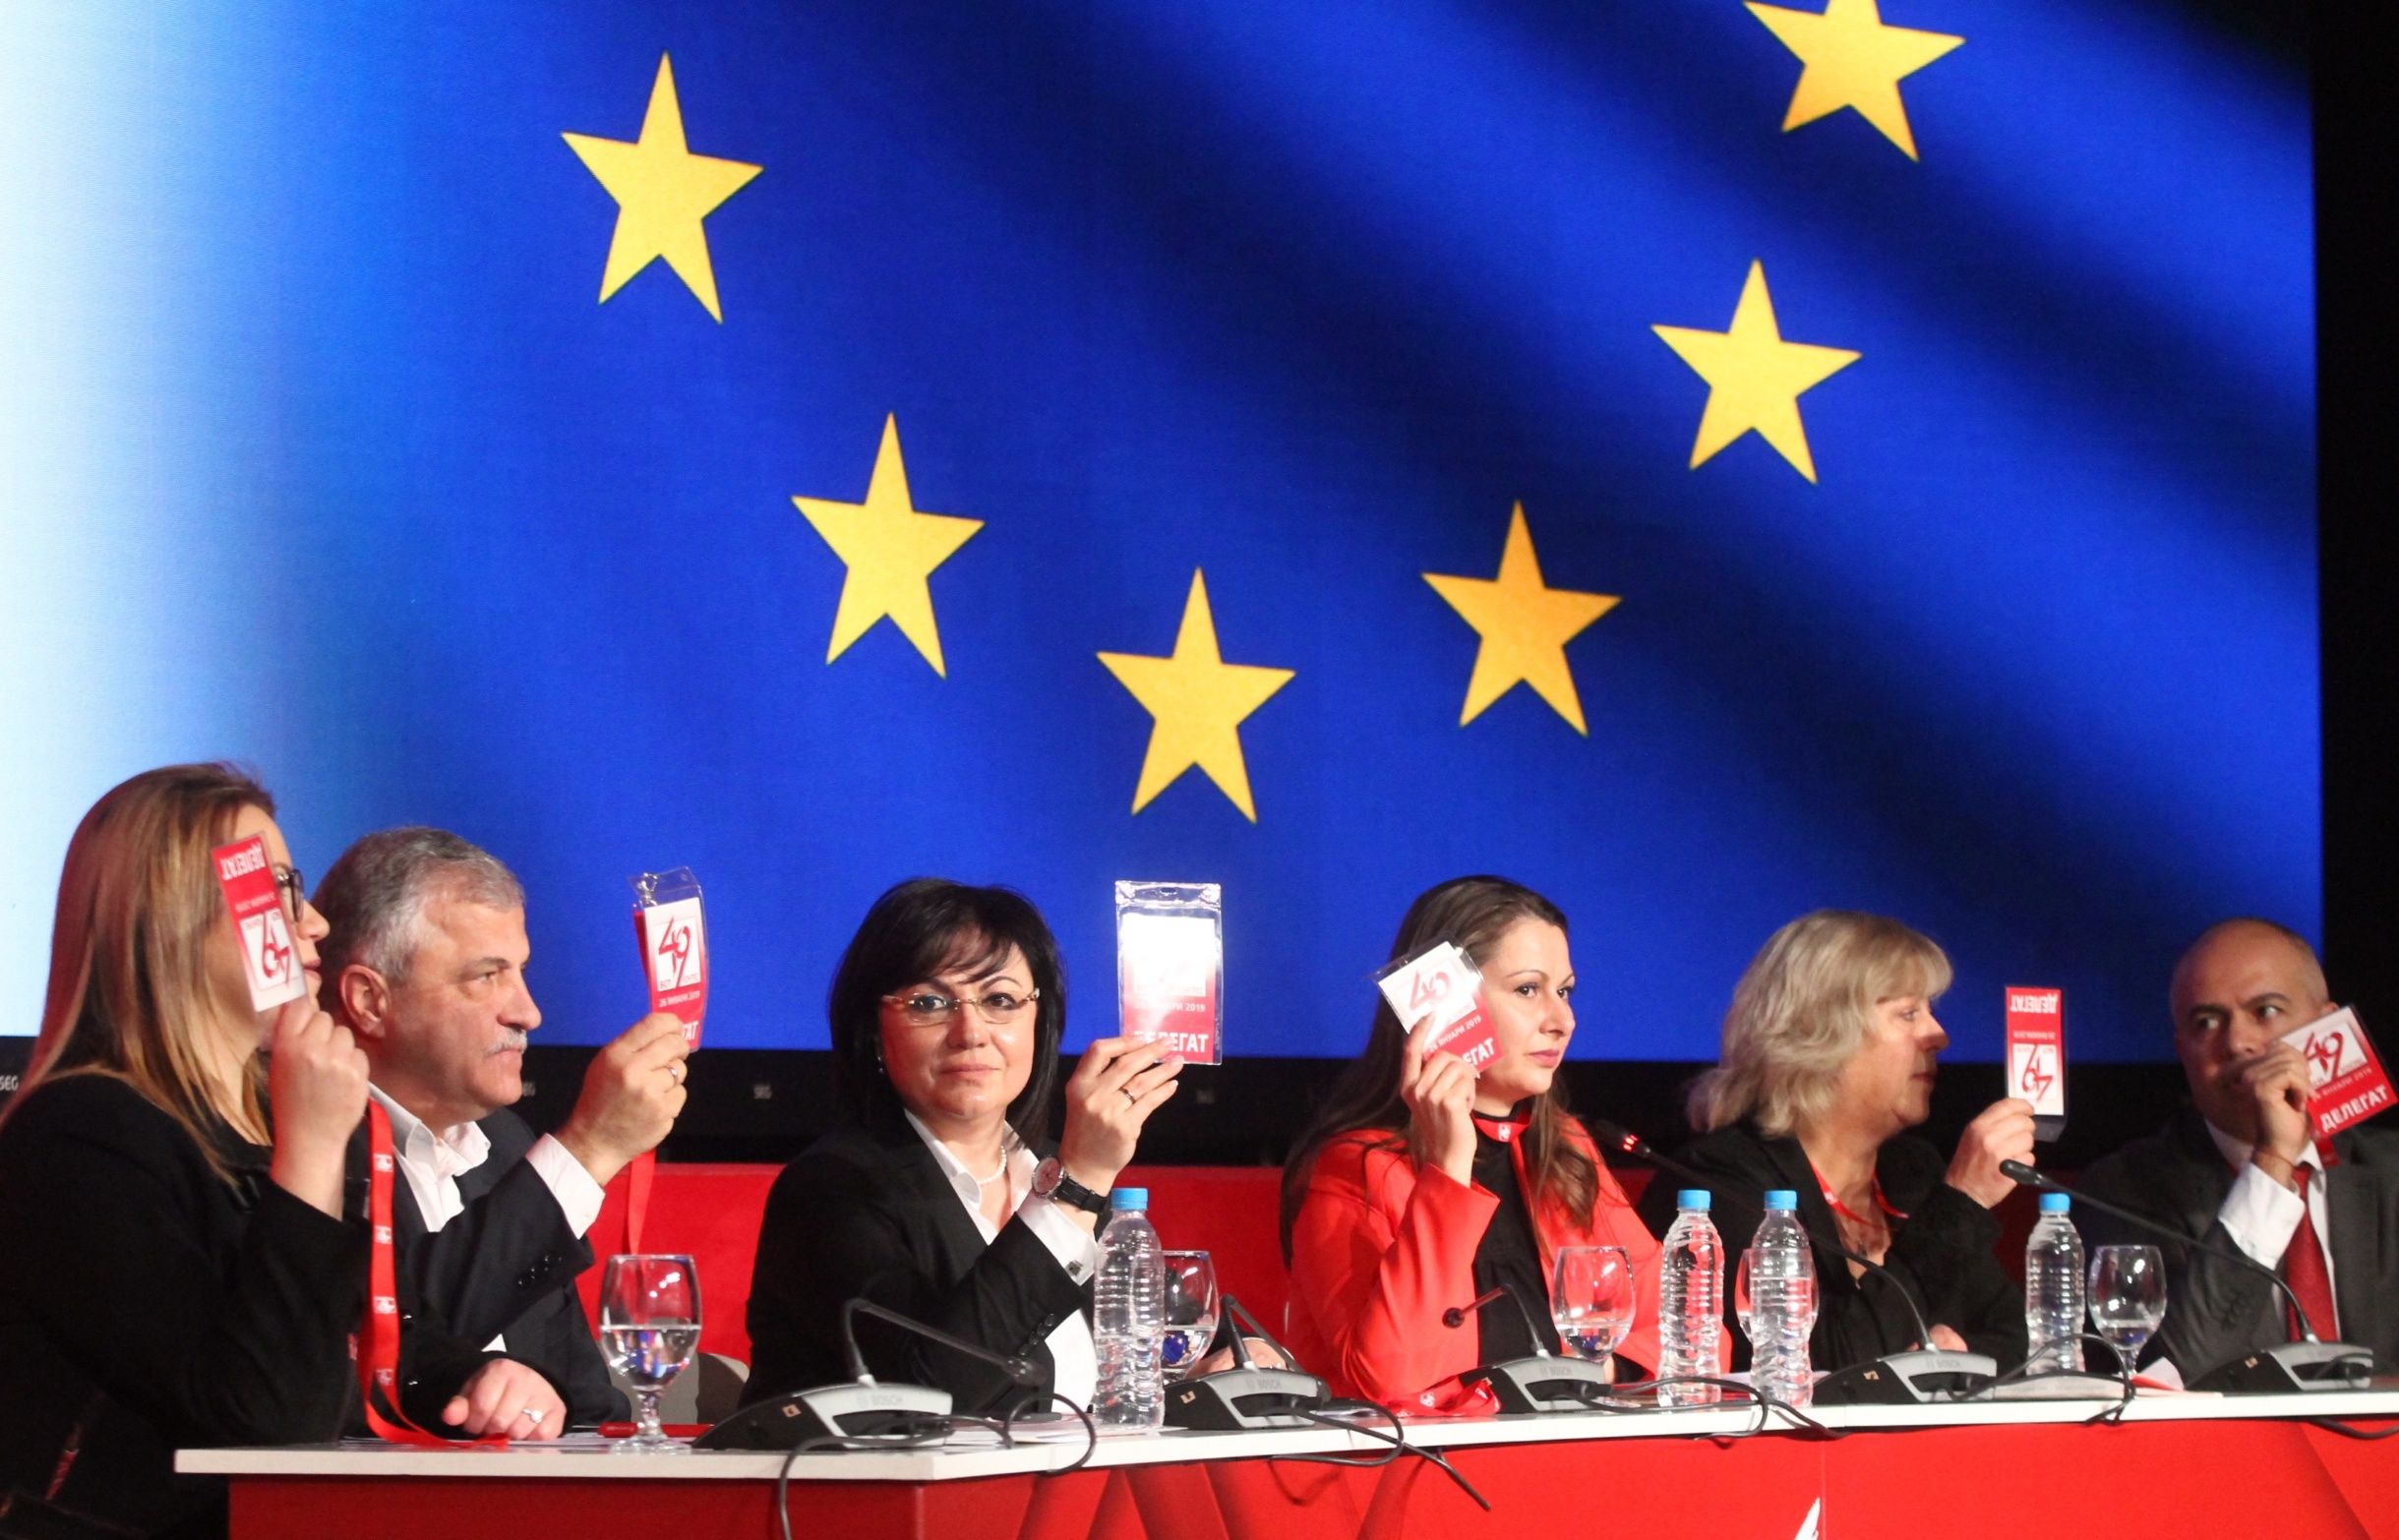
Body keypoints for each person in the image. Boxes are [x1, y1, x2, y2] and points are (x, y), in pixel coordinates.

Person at [0, 765, 371, 1540]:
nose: (313, 924)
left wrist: (474, 1376)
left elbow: (349, 1335)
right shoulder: (79, 1136)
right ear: (173, 918)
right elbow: (267, 1421)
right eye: (277, 889)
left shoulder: (264, 1119)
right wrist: (310, 1150)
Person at [745, 879, 1192, 1415]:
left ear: (1039, 1022)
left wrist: (1229, 1359)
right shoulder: (830, 1191)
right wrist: (1077, 1187)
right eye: (930, 1003)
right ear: (873, 1032)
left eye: (1000, 1000)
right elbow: (932, 1394)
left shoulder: (1044, 1167)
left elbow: (1166, 1347)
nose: (971, 1032)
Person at [313, 827, 690, 1438]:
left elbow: (593, 1413)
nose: (527, 1012)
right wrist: (588, 1148)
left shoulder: (507, 1145)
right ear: (370, 1000)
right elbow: (393, 1343)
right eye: (486, 976)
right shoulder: (304, 1147)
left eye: (519, 971)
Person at [1281, 876, 1683, 1412]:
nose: (1563, 1021)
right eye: (1527, 990)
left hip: (1576, 1452)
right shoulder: (1355, 1165)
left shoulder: (1565, 1148)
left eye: (1564, 991)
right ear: (1446, 1011)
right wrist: (1448, 1171)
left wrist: (1592, 1374)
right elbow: (1389, 1379)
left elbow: (1691, 1337)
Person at [1638, 911, 2031, 1372]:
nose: (1939, 1035)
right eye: (1908, 1013)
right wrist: (1964, 1200)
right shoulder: (1721, 1181)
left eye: (1930, 1011)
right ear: (1819, 1032)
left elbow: (2018, 1338)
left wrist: (1956, 1355)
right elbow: (1817, 1368)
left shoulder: (1911, 1170)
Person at [2078, 918, 2399, 1380]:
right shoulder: (2124, 1189)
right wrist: (2272, 1162)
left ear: (2327, 1025)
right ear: (2183, 1051)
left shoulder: (2390, 1173)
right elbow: (2172, 1375)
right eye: (2207, 1023)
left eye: (2265, 1011)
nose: (2237, 1043)